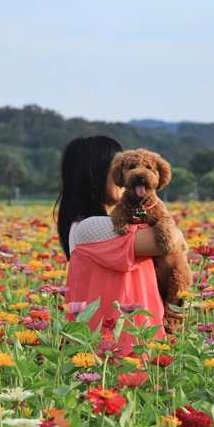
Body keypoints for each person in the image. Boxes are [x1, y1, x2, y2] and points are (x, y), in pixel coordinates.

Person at [54, 134, 185, 356]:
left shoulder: (92, 225)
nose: (129, 179)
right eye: (122, 168)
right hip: (113, 350)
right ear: (93, 176)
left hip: (138, 340)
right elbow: (171, 240)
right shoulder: (90, 227)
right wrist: (179, 235)